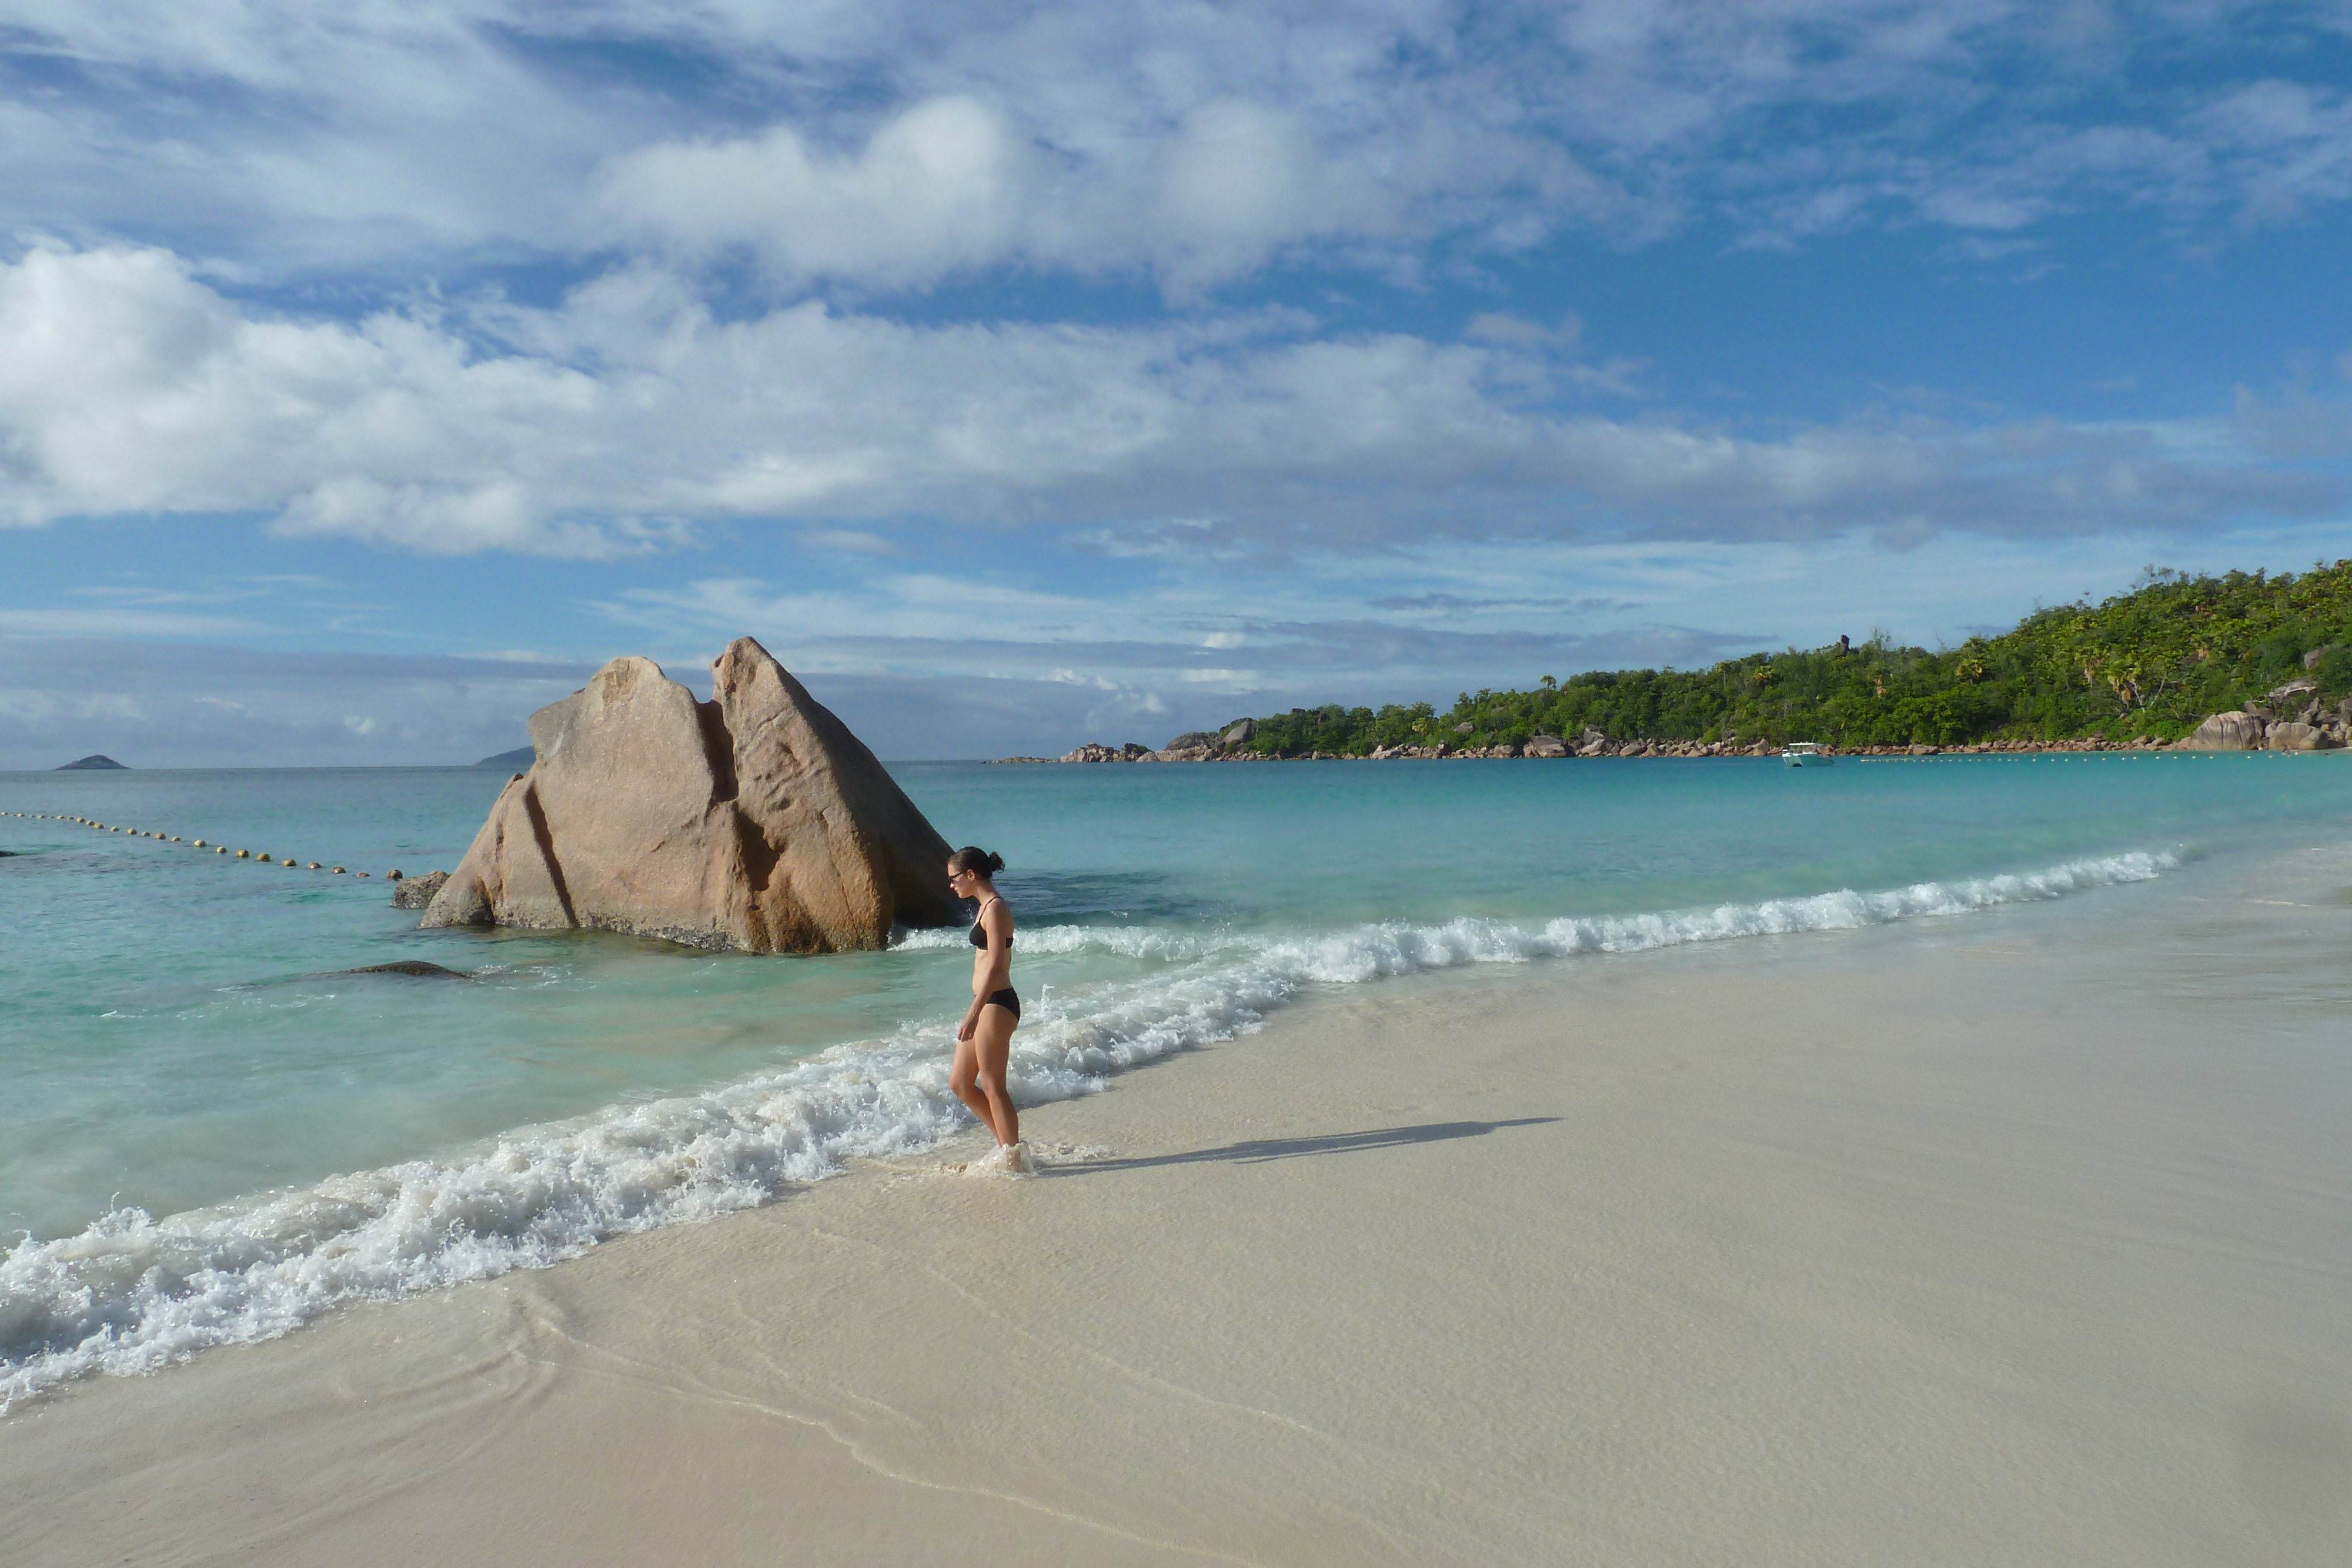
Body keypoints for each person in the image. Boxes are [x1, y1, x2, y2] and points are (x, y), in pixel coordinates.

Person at [947, 845, 1025, 1166]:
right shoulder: (983, 908)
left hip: (997, 1003)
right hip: (986, 1003)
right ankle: (1010, 1149)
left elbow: (995, 967)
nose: (951, 885)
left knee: (993, 1085)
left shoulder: (995, 908)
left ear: (971, 875)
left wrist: (973, 1013)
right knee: (961, 1083)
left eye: (954, 879)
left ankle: (1014, 1158)